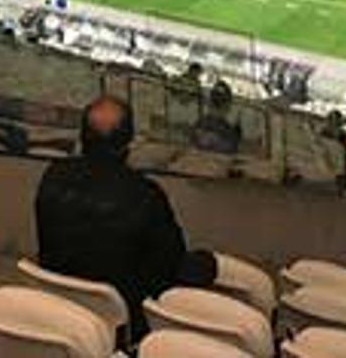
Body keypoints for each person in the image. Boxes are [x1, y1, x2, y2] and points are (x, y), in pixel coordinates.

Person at [35, 95, 216, 337]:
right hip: (126, 324)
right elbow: (169, 269)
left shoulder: (54, 176)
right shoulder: (144, 196)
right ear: (128, 142)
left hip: (61, 311)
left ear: (82, 136)